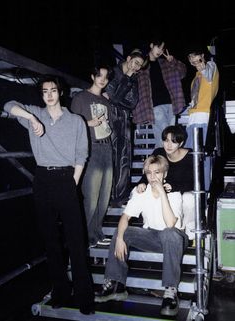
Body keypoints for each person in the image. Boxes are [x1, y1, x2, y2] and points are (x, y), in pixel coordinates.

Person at [3, 75, 95, 315]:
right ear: (42, 94)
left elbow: (81, 155)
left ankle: (85, 296)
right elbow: (7, 103)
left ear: (60, 92)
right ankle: (60, 292)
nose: (50, 95)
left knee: (76, 240)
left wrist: (72, 184)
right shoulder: (36, 114)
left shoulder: (76, 121)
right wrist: (30, 117)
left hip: (66, 179)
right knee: (50, 240)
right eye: (45, 91)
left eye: (54, 90)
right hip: (42, 179)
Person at [95, 155, 188, 317]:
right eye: (149, 173)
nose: (153, 177)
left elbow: (170, 223)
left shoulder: (174, 194)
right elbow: (125, 217)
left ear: (164, 174)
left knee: (169, 233)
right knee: (122, 230)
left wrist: (162, 194)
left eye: (157, 172)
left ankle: (170, 291)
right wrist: (119, 239)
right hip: (152, 235)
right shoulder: (141, 193)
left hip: (175, 238)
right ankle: (116, 285)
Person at [71, 66, 113, 248]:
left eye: (105, 77)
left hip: (107, 148)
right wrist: (89, 123)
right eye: (99, 76)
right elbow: (71, 125)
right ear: (92, 76)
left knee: (104, 196)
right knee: (91, 196)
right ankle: (85, 237)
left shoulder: (106, 101)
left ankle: (97, 232)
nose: (102, 79)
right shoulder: (80, 98)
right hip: (91, 149)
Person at [137, 125, 195, 240]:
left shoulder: (190, 155)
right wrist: (142, 182)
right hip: (163, 191)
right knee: (141, 191)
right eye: (166, 140)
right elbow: (149, 171)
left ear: (181, 143)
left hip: (182, 191)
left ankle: (186, 232)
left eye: (173, 142)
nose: (168, 145)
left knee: (189, 199)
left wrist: (173, 187)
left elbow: (193, 182)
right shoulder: (159, 152)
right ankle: (151, 227)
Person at [104, 49, 145, 207]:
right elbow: (113, 97)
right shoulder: (113, 73)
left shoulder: (133, 78)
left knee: (125, 158)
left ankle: (120, 196)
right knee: (112, 157)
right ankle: (109, 196)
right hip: (112, 119)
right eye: (135, 63)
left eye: (140, 65)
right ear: (128, 59)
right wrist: (126, 79)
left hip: (125, 119)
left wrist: (117, 98)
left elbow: (132, 103)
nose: (137, 67)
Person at [132, 38, 187, 148]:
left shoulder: (165, 63)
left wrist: (173, 61)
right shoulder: (142, 64)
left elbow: (183, 73)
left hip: (172, 104)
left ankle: (164, 162)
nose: (160, 51)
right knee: (165, 136)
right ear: (151, 45)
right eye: (158, 47)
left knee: (170, 136)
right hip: (154, 105)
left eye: (162, 49)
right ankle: (162, 161)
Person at [184, 47, 219, 191]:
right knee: (190, 156)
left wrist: (201, 64)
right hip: (193, 119)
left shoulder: (211, 66)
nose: (194, 62)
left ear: (202, 56)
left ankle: (204, 190)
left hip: (204, 118)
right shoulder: (196, 77)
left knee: (203, 157)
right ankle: (192, 187)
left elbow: (208, 72)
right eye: (191, 60)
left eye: (196, 58)